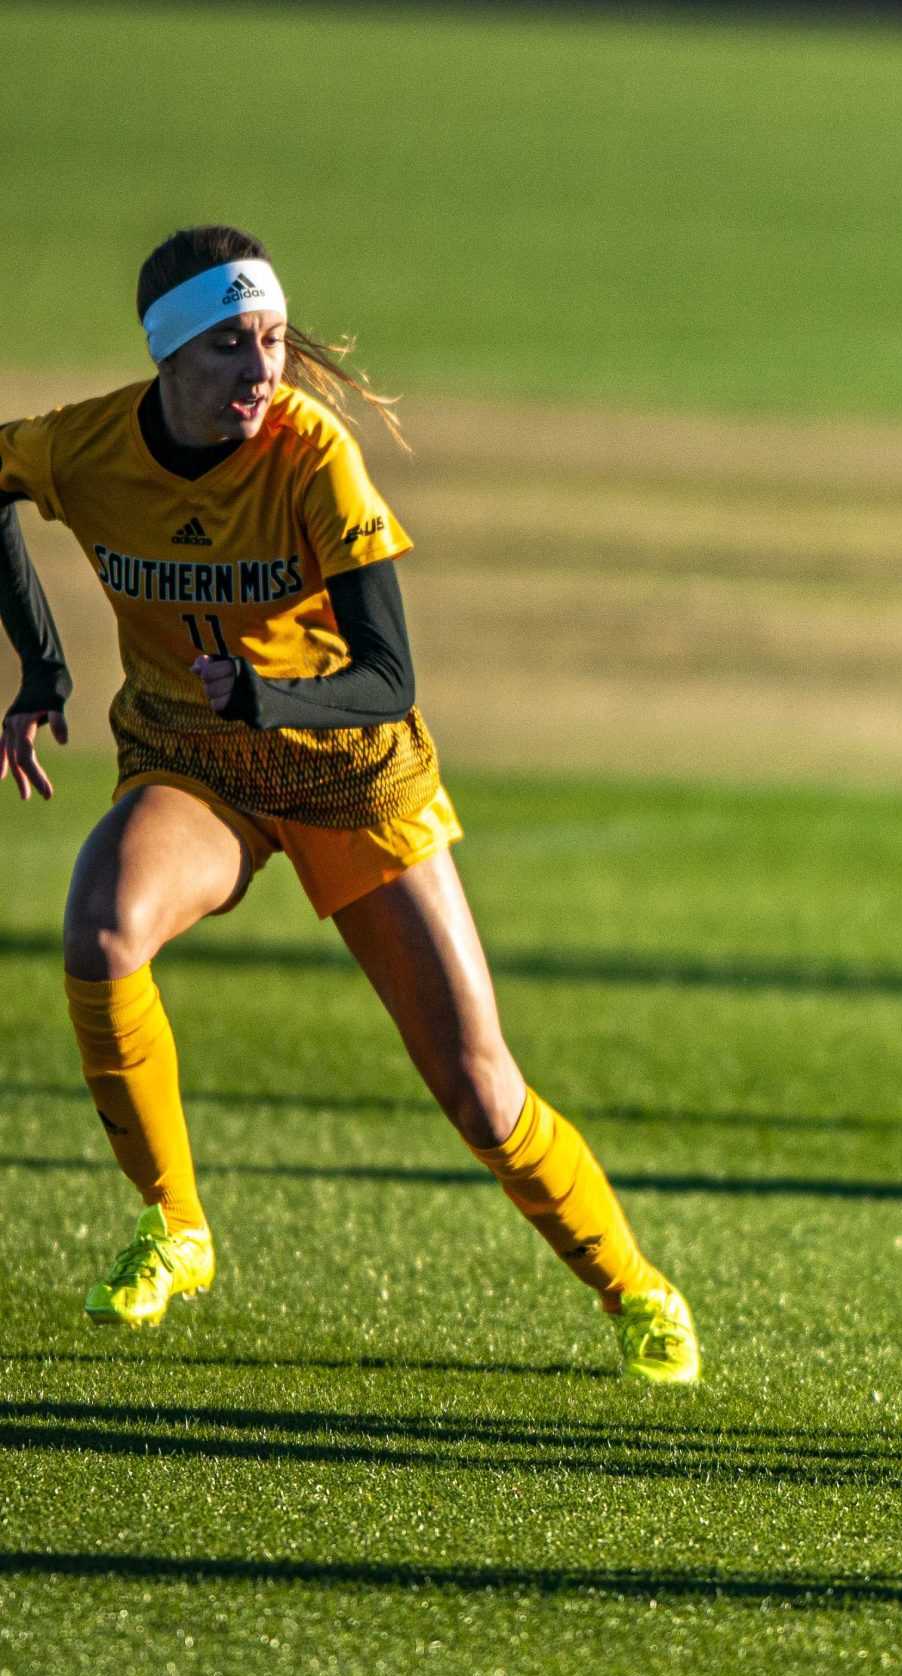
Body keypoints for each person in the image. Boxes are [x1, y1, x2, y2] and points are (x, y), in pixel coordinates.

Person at [0, 225, 699, 1384]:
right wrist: (42, 665)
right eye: (233, 345)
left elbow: (390, 675)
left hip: (348, 765)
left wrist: (267, 692)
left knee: (479, 1088)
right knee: (101, 927)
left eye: (272, 339)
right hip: (198, 759)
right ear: (170, 357)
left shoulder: (310, 453)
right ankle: (175, 1224)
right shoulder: (86, 447)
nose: (264, 369)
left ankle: (639, 1290)